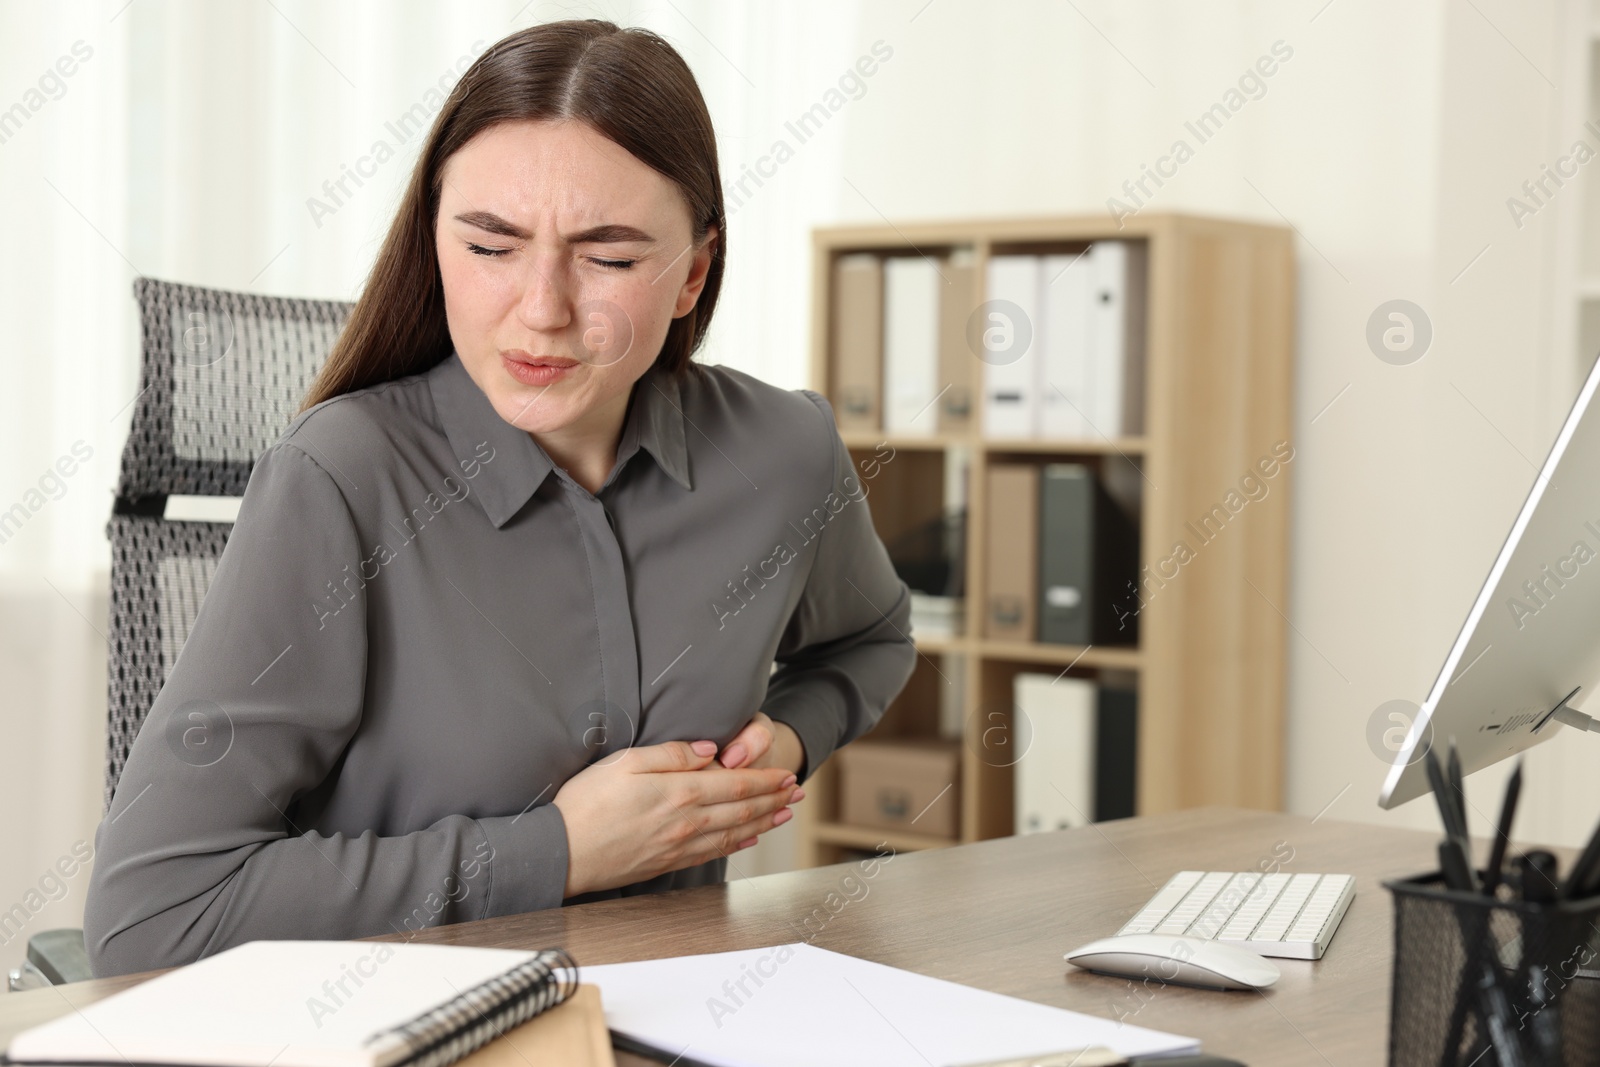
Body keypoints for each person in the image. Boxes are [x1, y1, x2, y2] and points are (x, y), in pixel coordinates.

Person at [84, 19, 914, 977]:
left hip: (679, 1018)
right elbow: (149, 914)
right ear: (434, 240)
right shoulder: (339, 480)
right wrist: (557, 850)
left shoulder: (785, 453)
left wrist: (791, 739)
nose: (542, 309)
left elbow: (873, 640)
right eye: (491, 246)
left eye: (607, 257)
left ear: (693, 273)